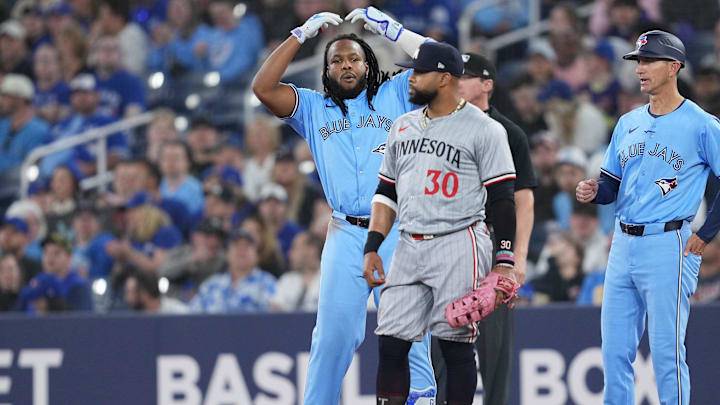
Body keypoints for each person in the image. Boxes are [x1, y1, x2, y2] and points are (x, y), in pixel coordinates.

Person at [251, 6, 438, 404]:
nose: (346, 64)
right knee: (332, 334)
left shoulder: (395, 93)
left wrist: (393, 30)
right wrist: (299, 36)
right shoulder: (313, 108)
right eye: (337, 60)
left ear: (369, 64)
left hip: (396, 227)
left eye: (354, 57)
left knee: (408, 329)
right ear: (327, 70)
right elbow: (263, 87)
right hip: (345, 232)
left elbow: (442, 63)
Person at [362, 41, 517, 405]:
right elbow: (386, 193)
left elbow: (503, 199)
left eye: (419, 72)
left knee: (454, 343)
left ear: (444, 78)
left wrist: (505, 261)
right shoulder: (402, 126)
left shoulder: (485, 129)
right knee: (390, 342)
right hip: (408, 242)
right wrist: (372, 245)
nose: (411, 79)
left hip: (458, 239)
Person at [575, 30, 720, 405]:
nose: (640, 68)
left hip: (668, 241)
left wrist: (706, 232)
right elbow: (610, 184)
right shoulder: (628, 122)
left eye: (649, 60)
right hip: (623, 243)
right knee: (614, 352)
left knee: (666, 354)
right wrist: (595, 191)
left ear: (673, 67)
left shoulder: (702, 124)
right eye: (638, 61)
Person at [431, 52, 535, 405]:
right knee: (440, 352)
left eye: (467, 76)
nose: (457, 82)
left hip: (493, 248)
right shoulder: (436, 124)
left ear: (487, 84)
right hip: (447, 247)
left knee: (494, 357)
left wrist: (517, 257)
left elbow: (523, 200)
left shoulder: (510, 133)